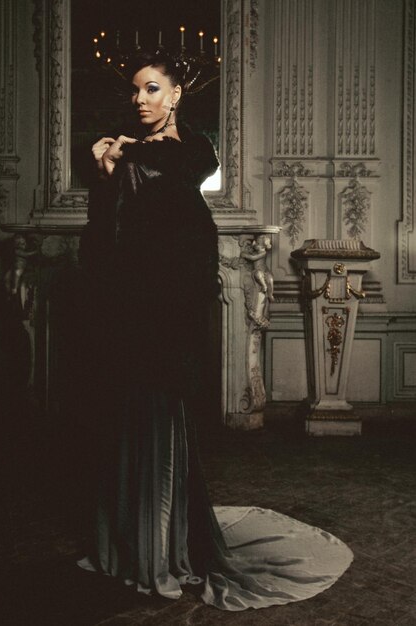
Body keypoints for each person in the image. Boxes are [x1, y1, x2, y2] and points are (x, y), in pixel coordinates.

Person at [78, 51, 353, 611]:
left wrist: (120, 168)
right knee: (134, 424)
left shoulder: (176, 154)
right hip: (133, 314)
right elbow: (106, 245)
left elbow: (178, 230)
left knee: (160, 423)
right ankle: (139, 547)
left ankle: (159, 551)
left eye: (152, 89)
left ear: (175, 94)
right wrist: (105, 177)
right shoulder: (131, 158)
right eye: (135, 91)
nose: (140, 100)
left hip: (165, 317)